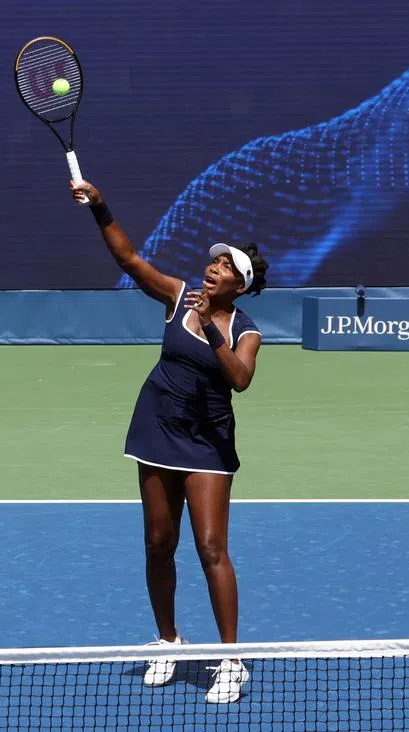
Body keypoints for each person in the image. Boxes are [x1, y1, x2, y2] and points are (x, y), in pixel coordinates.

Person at [71, 179, 269, 704]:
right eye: (214, 262)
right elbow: (131, 260)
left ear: (239, 285)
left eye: (225, 267)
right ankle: (168, 639)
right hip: (157, 428)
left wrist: (209, 327)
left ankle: (231, 661)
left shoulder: (246, 330)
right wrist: (101, 207)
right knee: (159, 544)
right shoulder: (178, 294)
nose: (213, 268)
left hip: (207, 444)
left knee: (210, 547)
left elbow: (240, 380)